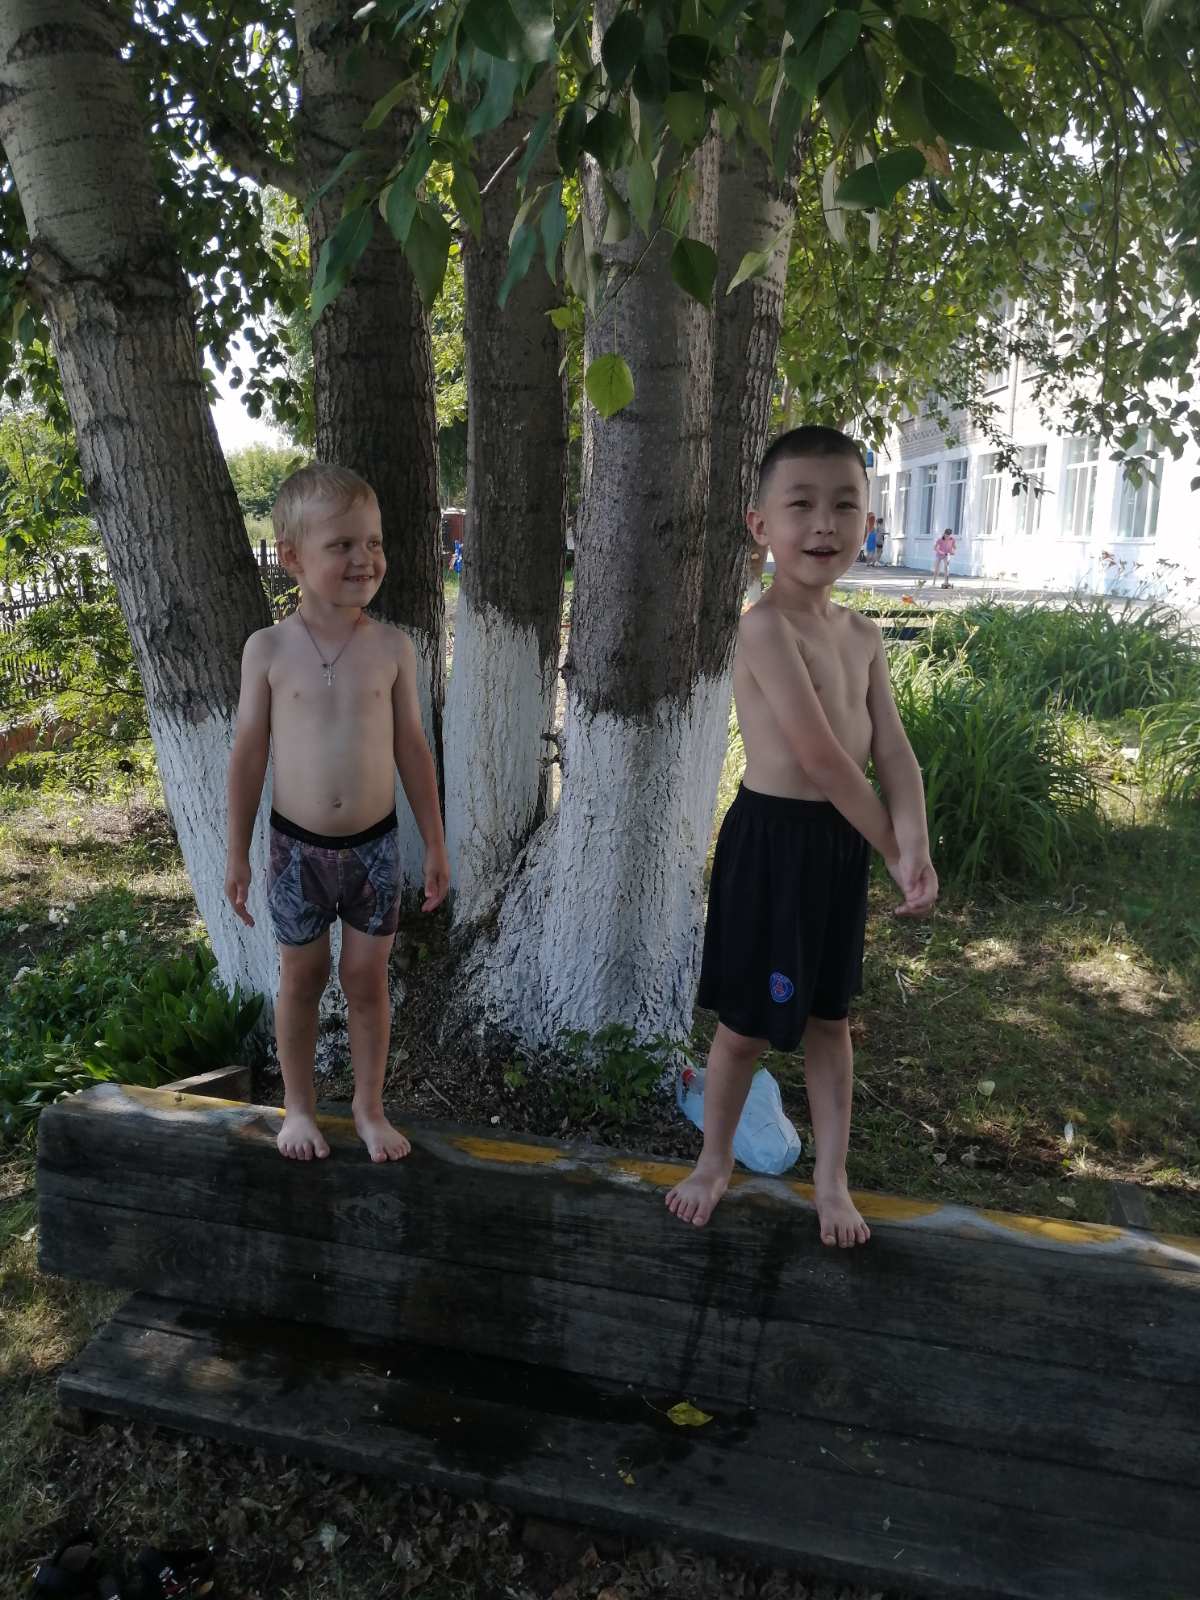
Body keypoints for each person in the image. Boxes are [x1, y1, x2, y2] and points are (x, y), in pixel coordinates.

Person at [666, 426, 938, 1245]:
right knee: (744, 1028)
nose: (825, 523)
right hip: (771, 847)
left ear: (869, 521)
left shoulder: (863, 635)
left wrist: (914, 845)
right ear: (761, 526)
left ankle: (831, 1180)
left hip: (837, 850)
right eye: (802, 505)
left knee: (830, 1020)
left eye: (845, 505)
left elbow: (893, 751)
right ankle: (714, 1161)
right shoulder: (763, 628)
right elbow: (820, 756)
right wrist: (888, 845)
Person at [225, 464, 450, 1164]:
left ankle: (368, 1107)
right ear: (293, 557)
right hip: (296, 851)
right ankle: (297, 1108)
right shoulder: (268, 650)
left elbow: (412, 748)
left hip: (374, 850)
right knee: (301, 980)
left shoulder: (392, 647)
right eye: (343, 545)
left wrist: (435, 843)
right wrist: (235, 852)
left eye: (373, 543)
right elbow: (248, 755)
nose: (365, 559)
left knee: (366, 983)